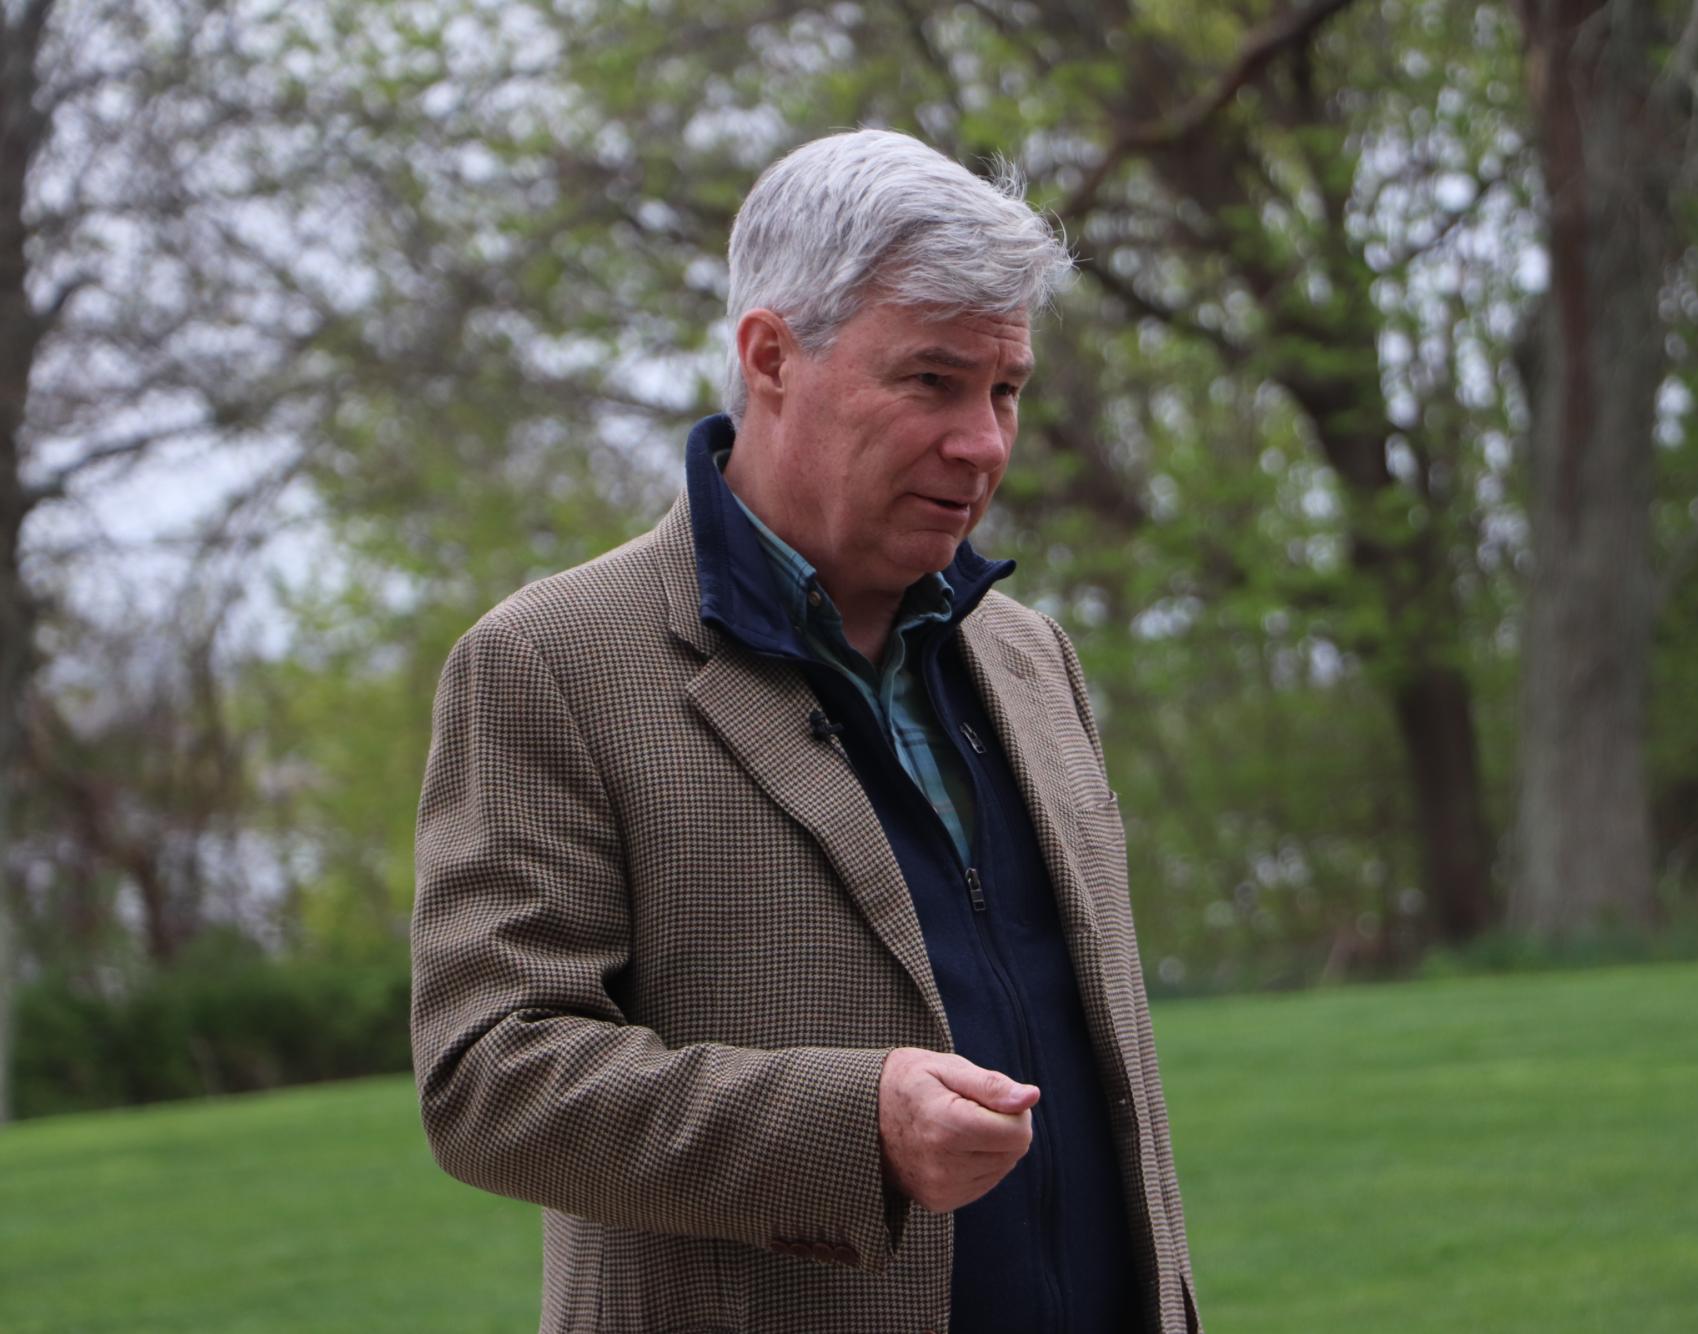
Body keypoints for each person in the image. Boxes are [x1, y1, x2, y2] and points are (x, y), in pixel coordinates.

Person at [410, 128, 1199, 1334]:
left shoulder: (1032, 658)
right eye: (931, 380)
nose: (983, 441)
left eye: (1006, 390)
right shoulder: (550, 662)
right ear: (771, 355)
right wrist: (854, 1126)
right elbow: (486, 1075)